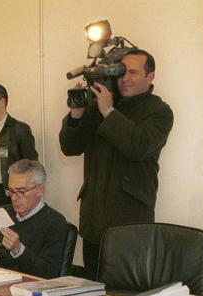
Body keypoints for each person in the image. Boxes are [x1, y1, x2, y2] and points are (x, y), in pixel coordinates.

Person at [59, 49, 174, 279]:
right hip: (94, 223)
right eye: (121, 72)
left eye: (133, 72)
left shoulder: (159, 111)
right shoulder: (100, 104)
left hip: (129, 224)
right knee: (92, 294)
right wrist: (77, 114)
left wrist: (108, 111)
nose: (125, 78)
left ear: (150, 77)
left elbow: (138, 146)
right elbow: (70, 147)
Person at [0, 159, 68, 278]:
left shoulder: (55, 222)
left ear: (39, 190)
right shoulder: (3, 213)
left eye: (21, 191)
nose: (14, 198)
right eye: (11, 191)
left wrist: (19, 250)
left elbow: (49, 273)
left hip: (29, 290)